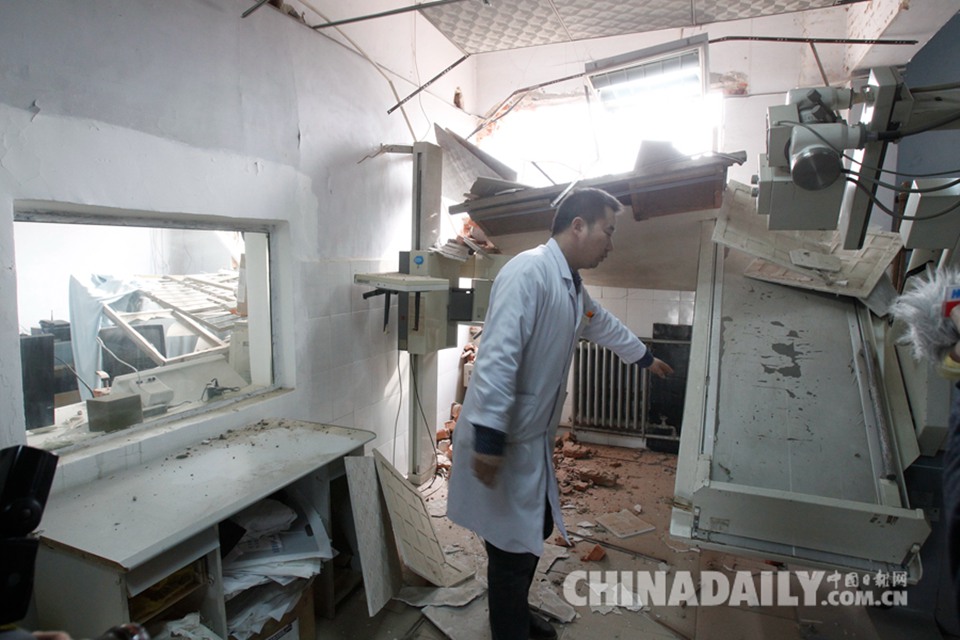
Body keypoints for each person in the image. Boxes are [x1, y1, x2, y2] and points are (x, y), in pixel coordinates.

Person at [447, 187, 673, 640]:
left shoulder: (571, 285)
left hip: (528, 439)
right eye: (608, 231)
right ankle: (509, 630)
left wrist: (644, 357)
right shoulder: (527, 272)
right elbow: (497, 359)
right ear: (578, 226)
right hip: (503, 438)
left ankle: (515, 614)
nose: (611, 244)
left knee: (534, 529)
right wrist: (489, 439)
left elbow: (601, 323)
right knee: (511, 548)